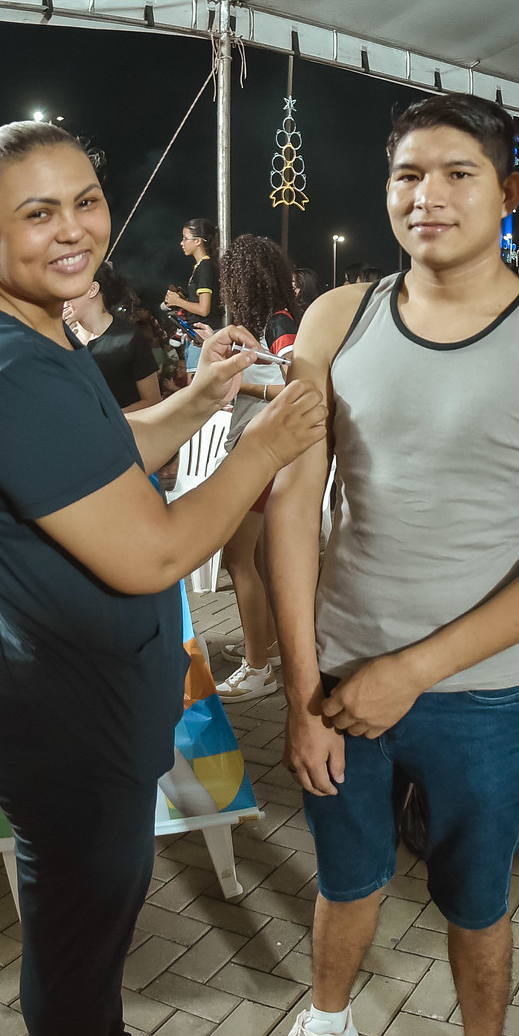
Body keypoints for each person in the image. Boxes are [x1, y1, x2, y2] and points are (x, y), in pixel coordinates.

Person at [0, 120, 325, 1036]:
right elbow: (151, 552)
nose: (74, 231)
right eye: (38, 212)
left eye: (85, 202)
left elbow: (103, 453)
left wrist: (201, 398)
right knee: (76, 924)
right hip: (64, 716)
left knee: (103, 906)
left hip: (92, 700)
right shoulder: (9, 365)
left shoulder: (34, 329)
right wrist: (262, 446)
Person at [256, 94, 519, 1036]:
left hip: (480, 690)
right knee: (344, 873)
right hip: (339, 681)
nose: (428, 195)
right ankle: (328, 1016)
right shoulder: (335, 319)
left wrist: (410, 670)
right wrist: (300, 689)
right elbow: (292, 505)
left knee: (477, 888)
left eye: (458, 172)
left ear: (508, 194)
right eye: (408, 174)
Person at [207, 235, 302, 702]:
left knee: (237, 558)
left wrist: (240, 388)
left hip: (259, 451)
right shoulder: (266, 320)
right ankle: (264, 646)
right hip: (260, 449)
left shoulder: (277, 320)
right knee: (260, 559)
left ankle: (258, 668)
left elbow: (298, 385)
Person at [62, 263, 162, 411]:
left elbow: (152, 400)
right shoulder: (63, 338)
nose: (61, 299)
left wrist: (107, 421)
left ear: (92, 289)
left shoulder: (128, 337)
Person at [164, 218, 223, 329]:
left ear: (198, 241)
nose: (182, 243)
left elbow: (204, 309)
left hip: (205, 334)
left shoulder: (205, 266)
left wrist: (178, 301)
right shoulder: (202, 266)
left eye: (185, 238)